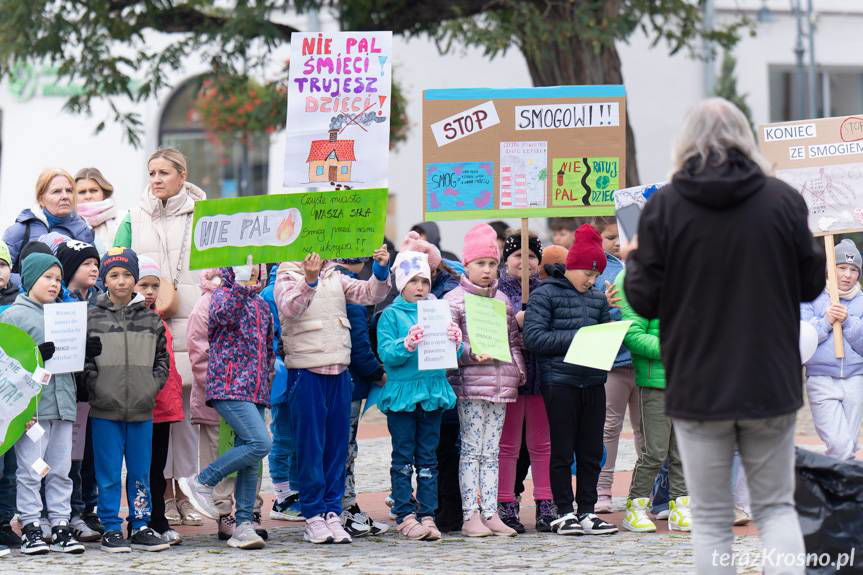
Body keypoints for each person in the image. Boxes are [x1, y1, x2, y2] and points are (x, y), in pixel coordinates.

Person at [624, 98, 826, 574]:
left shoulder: (665, 208)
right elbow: (812, 285)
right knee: (776, 508)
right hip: (769, 379)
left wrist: (635, 257)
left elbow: (645, 300)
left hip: (697, 383)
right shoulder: (783, 200)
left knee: (711, 518)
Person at [274, 245, 391, 544]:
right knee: (310, 446)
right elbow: (290, 308)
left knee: (337, 447)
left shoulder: (336, 276)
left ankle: (331, 512)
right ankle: (312, 514)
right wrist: (308, 280)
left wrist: (379, 270)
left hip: (339, 369)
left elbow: (369, 294)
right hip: (306, 370)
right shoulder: (287, 274)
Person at [114, 148, 206, 527]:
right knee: (157, 416)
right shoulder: (134, 216)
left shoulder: (205, 215)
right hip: (147, 324)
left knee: (184, 417)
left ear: (182, 175)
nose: (156, 179)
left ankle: (184, 490)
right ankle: (161, 496)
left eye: (164, 172)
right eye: (151, 172)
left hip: (191, 321)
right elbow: (116, 261)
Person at [524, 224, 618, 537]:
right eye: (588, 274)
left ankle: (588, 510)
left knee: (591, 450)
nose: (591, 281)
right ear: (573, 266)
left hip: (593, 380)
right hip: (559, 380)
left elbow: (604, 335)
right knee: (562, 449)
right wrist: (577, 337)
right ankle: (564, 511)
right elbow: (534, 338)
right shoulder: (544, 294)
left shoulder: (597, 299)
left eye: (595, 276)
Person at [178, 263, 274, 550]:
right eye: (246, 267)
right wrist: (239, 287)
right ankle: (202, 481)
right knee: (260, 443)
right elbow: (222, 315)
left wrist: (267, 377)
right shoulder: (221, 296)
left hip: (255, 389)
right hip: (228, 385)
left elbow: (268, 348)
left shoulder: (262, 305)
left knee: (251, 457)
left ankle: (243, 523)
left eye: (257, 267)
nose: (254, 272)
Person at [83, 248, 170, 553]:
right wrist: (96, 386)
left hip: (141, 410)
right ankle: (109, 526)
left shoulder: (150, 319)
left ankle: (140, 523)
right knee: (107, 472)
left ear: (135, 279)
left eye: (127, 275)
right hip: (104, 410)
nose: (121, 281)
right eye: (114, 275)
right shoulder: (91, 317)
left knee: (139, 470)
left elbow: (162, 360)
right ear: (105, 279)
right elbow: (85, 361)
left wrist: (150, 386)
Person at [445, 223, 525, 538]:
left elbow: (513, 340)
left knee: (492, 451)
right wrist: (468, 353)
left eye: (492, 264)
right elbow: (449, 343)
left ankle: (491, 512)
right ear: (467, 265)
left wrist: (519, 372)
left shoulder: (502, 300)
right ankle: (470, 514)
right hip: (471, 385)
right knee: (471, 451)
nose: (488, 270)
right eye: (481, 264)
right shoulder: (455, 300)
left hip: (501, 384)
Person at [0, 253, 84, 554]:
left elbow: (69, 358)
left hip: (62, 404)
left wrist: (84, 352)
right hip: (31, 410)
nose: (54, 284)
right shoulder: (14, 316)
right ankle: (31, 525)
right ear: (32, 277)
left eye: (58, 279)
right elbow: (7, 363)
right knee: (32, 469)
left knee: (61, 468)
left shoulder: (64, 315)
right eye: (47, 277)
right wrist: (35, 355)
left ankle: (61, 523)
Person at [376, 251, 460, 540]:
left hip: (432, 391)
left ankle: (428, 513)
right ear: (402, 283)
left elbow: (452, 355)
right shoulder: (391, 314)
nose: (420, 287)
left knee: (429, 458)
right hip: (403, 394)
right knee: (403, 457)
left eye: (424, 280)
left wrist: (456, 342)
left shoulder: (438, 310)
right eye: (413, 281)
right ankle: (404, 513)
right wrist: (406, 343)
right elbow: (386, 354)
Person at [616, 267, 691, 533]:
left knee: (682, 450)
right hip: (656, 382)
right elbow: (633, 335)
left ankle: (680, 506)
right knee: (655, 451)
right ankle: (635, 507)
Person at [495, 231, 555, 533]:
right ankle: (506, 500)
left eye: (531, 255)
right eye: (519, 255)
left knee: (542, 444)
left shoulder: (546, 291)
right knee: (508, 444)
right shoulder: (497, 292)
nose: (525, 261)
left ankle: (546, 500)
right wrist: (514, 323)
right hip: (509, 377)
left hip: (541, 377)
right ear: (507, 259)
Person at [334, 258, 389, 538]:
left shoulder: (333, 279)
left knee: (342, 447)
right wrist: (378, 373)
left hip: (342, 380)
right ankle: (345, 506)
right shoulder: (348, 286)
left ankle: (345, 506)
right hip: (350, 382)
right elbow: (359, 344)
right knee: (345, 449)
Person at [54, 238, 103, 543]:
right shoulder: (60, 305)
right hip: (69, 391)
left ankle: (89, 508)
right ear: (70, 268)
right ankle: (72, 511)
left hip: (95, 390)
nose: (93, 268)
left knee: (91, 455)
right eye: (86, 263)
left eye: (96, 263)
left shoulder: (98, 300)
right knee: (71, 457)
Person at [592, 217, 642, 514]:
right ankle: (602, 488)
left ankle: (645, 491)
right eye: (611, 236)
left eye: (622, 236)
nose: (617, 242)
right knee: (608, 427)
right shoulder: (600, 270)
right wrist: (606, 305)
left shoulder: (647, 266)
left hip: (644, 361)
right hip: (613, 360)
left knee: (645, 430)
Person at [133, 256, 185, 545]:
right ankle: (145, 519)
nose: (150, 291)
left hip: (162, 407)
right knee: (143, 467)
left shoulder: (158, 318)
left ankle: (157, 519)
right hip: (144, 406)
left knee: (157, 468)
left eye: (155, 285)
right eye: (144, 285)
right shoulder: (136, 319)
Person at [802, 239, 863, 460]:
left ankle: (845, 489)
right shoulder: (811, 297)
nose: (847, 275)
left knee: (847, 444)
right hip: (821, 380)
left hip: (856, 380)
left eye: (853, 270)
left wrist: (848, 322)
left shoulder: (861, 302)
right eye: (842, 268)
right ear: (830, 268)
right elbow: (802, 339)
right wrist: (827, 320)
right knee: (840, 445)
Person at [3, 168, 94, 272]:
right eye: (56, 191)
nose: (65, 196)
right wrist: (28, 284)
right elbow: (3, 272)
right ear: (41, 199)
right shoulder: (21, 230)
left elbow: (96, 276)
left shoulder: (82, 230)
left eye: (69, 190)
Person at [74, 168, 118, 256]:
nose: (88, 196)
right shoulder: (69, 224)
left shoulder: (120, 220)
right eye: (82, 192)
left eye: (93, 190)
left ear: (104, 192)